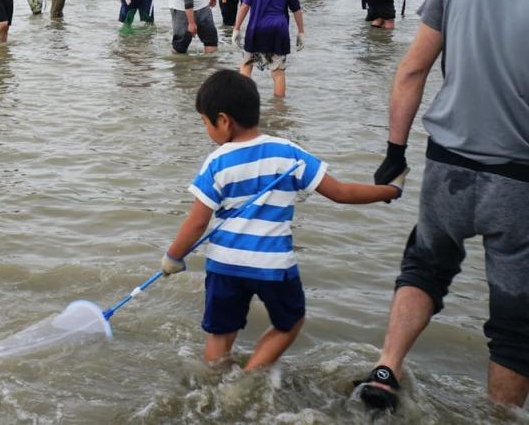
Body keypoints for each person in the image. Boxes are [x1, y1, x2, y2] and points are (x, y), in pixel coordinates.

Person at [356, 0, 529, 413]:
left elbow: (412, 71)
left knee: (424, 268)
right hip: (520, 177)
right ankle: (500, 416)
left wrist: (394, 153)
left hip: (448, 162)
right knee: (516, 324)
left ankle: (387, 368)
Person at [162, 71, 404, 372]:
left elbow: (197, 223)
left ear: (223, 120)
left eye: (205, 122)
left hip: (225, 266)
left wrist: (173, 257)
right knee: (289, 322)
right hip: (273, 266)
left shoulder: (216, 162)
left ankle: (216, 382)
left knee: (220, 334)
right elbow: (341, 193)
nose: (206, 129)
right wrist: (390, 191)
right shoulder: (289, 153)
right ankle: (250, 375)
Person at [232, 0, 305, 98]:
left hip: (256, 27)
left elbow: (244, 6)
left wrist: (236, 28)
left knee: (246, 65)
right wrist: (301, 32)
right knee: (278, 72)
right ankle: (279, 107)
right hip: (279, 29)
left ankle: (243, 101)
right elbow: (296, 9)